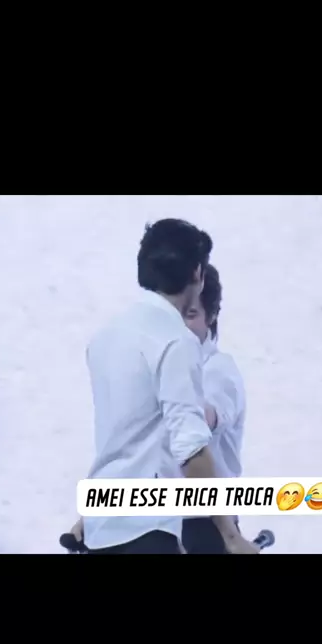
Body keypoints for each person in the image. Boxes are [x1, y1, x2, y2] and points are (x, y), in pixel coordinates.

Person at [69, 219, 259, 555]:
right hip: (149, 529)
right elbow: (189, 445)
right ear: (197, 274)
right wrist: (231, 537)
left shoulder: (103, 339)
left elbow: (121, 441)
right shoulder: (175, 340)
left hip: (103, 531)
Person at [181, 264, 246, 554]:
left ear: (212, 315)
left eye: (190, 314)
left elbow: (202, 418)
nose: (179, 325)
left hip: (206, 524)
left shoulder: (219, 369)